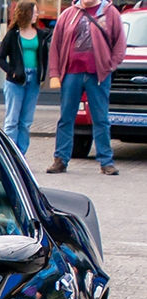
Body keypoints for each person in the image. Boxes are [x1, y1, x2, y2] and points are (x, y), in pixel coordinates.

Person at [46, 0, 127, 174]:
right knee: (66, 118)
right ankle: (60, 159)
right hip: (71, 73)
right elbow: (55, 46)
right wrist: (54, 73)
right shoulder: (67, 14)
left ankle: (106, 162)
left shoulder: (110, 12)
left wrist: (110, 65)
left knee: (101, 119)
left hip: (98, 74)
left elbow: (120, 43)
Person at [0, 1, 50, 152]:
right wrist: (11, 71)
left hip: (34, 79)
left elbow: (44, 57)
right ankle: (10, 154)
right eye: (34, 12)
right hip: (16, 81)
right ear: (26, 13)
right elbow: (0, 58)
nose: (37, 15)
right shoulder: (13, 34)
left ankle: (21, 154)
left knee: (26, 121)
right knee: (12, 120)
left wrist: (42, 74)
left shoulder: (40, 34)